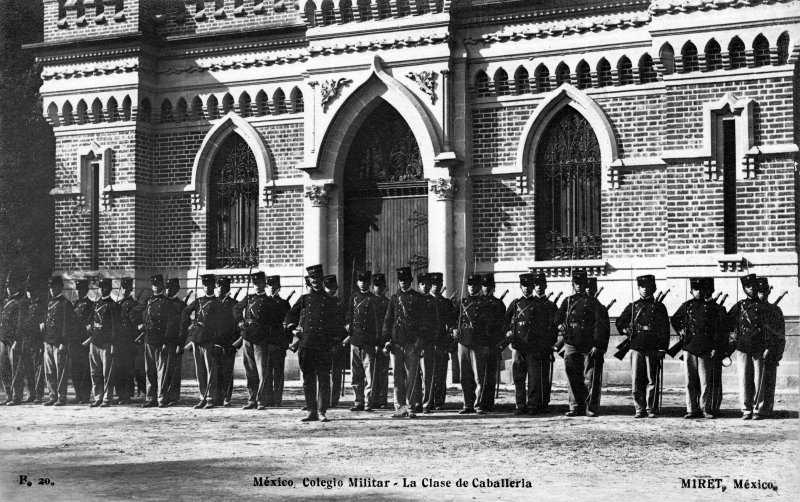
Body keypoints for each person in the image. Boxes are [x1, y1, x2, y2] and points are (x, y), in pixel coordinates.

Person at [284, 265, 340, 422]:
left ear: (322, 279)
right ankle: (311, 411)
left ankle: (322, 411)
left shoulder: (330, 301)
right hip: (306, 344)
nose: (315, 281)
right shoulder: (304, 299)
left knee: (323, 378)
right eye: (312, 278)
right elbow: (290, 315)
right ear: (309, 280)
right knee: (308, 379)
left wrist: (334, 341)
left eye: (318, 278)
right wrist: (293, 328)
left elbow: (337, 322)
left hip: (323, 345)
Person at [555, 271, 610, 417]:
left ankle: (589, 407)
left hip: (588, 344)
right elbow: (557, 317)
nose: (579, 286)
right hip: (571, 343)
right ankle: (575, 406)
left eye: (581, 283)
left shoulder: (594, 303)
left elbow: (600, 325)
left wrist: (597, 344)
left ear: (586, 284)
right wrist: (560, 325)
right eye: (576, 283)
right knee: (572, 375)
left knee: (589, 377)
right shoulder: (567, 301)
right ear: (573, 285)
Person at [671, 277, 727, 419]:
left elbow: (720, 330)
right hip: (689, 346)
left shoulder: (716, 308)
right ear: (691, 291)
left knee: (705, 381)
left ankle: (705, 408)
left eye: (701, 289)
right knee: (690, 380)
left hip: (706, 347)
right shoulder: (687, 305)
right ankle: (691, 408)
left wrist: (716, 347)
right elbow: (675, 319)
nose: (699, 292)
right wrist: (681, 331)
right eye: (695, 289)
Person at [615, 274, 670, 418]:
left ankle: (651, 408)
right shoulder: (633, 306)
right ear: (638, 288)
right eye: (642, 287)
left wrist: (662, 348)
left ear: (653, 288)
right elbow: (619, 322)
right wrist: (625, 329)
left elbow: (664, 329)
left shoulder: (659, 307)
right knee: (637, 379)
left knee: (652, 379)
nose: (645, 290)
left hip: (652, 346)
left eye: (648, 287)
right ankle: (639, 408)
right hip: (636, 346)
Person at [504, 272, 557, 415]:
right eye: (524, 286)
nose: (527, 289)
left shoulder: (540, 305)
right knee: (519, 379)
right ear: (521, 287)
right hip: (518, 347)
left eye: (529, 286)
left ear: (533, 287)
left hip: (533, 348)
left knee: (534, 378)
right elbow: (504, 322)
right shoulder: (515, 304)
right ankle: (520, 405)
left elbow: (546, 327)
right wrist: (508, 331)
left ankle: (533, 405)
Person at [381, 267, 425, 419]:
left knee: (411, 377)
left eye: (406, 281)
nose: (403, 284)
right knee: (397, 378)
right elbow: (388, 320)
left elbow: (423, 322)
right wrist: (386, 340)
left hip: (411, 343)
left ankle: (411, 407)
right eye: (401, 281)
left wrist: (420, 342)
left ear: (410, 281)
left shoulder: (418, 298)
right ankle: (400, 408)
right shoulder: (394, 298)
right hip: (396, 344)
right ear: (398, 282)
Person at [727, 273, 771, 420]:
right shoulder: (739, 305)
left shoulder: (764, 307)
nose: (751, 289)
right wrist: (733, 337)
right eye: (747, 286)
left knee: (759, 380)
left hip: (759, 345)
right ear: (744, 288)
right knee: (744, 379)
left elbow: (770, 329)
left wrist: (768, 347)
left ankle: (758, 409)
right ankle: (746, 409)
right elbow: (727, 322)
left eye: (753, 286)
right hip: (743, 346)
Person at [182, 274, 221, 409]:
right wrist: (190, 323)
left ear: (214, 286)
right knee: (200, 371)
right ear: (203, 287)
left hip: (210, 338)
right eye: (205, 285)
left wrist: (217, 341)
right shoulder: (198, 302)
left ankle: (210, 398)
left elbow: (220, 324)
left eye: (210, 285)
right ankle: (202, 396)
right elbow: (185, 311)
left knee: (211, 371)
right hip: (197, 338)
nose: (207, 288)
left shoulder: (218, 303)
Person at [454, 274, 489, 414]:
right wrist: (453, 329)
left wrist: (487, 344)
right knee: (465, 376)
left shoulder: (486, 304)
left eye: (475, 285)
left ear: (480, 287)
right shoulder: (462, 303)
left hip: (478, 342)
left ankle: (479, 404)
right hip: (463, 342)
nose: (472, 288)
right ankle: (467, 404)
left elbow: (489, 326)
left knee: (479, 376)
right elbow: (451, 317)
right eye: (470, 285)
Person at [345, 270, 379, 412]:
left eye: (365, 281)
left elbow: (377, 321)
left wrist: (377, 342)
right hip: (355, 340)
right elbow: (349, 314)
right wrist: (347, 324)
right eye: (360, 281)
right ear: (357, 283)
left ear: (369, 283)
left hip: (368, 341)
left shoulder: (373, 299)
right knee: (356, 374)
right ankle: (358, 401)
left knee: (369, 373)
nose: (363, 283)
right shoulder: (353, 298)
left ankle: (368, 401)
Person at [138, 274, 172, 408]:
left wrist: (166, 341)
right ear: (152, 287)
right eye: (154, 285)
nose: (156, 287)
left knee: (161, 371)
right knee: (149, 370)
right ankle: (150, 397)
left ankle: (161, 398)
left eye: (158, 285)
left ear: (162, 286)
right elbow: (136, 312)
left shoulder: (167, 302)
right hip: (149, 339)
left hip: (161, 339)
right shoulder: (148, 301)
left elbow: (170, 323)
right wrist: (140, 324)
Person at [755, 277, 785, 419]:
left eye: (765, 291)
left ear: (769, 292)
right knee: (756, 381)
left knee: (769, 380)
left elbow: (780, 334)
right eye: (760, 292)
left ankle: (767, 408)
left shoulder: (775, 310)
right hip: (756, 351)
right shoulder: (753, 309)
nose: (763, 294)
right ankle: (757, 409)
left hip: (771, 351)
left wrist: (776, 352)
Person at [42, 276, 74, 406]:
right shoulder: (50, 303)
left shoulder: (65, 304)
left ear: (60, 287)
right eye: (50, 287)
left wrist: (63, 342)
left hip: (59, 342)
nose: (51, 289)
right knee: (49, 371)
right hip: (48, 341)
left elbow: (67, 325)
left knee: (61, 371)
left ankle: (61, 397)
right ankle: (52, 396)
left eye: (53, 287)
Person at [87, 278, 120, 407]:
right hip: (95, 341)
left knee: (107, 372)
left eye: (104, 287)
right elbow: (91, 320)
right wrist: (89, 327)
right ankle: (98, 397)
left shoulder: (113, 306)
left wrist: (113, 344)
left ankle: (107, 398)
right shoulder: (96, 304)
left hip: (106, 343)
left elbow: (115, 327)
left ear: (109, 289)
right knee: (95, 372)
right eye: (100, 287)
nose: (101, 289)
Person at [0, 276, 27, 405]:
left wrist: (17, 340)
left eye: (11, 286)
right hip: (4, 338)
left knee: (15, 368)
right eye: (8, 286)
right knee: (4, 367)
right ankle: (8, 395)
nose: (9, 288)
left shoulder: (20, 302)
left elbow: (20, 323)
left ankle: (17, 396)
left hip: (14, 339)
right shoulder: (7, 301)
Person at [430, 272, 455, 410]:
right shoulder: (424, 301)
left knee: (440, 373)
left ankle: (439, 400)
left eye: (438, 284)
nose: (436, 287)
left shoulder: (446, 303)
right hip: (427, 343)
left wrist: (451, 331)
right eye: (433, 284)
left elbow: (451, 322)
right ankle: (428, 399)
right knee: (427, 374)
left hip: (441, 343)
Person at [480, 274, 505, 413]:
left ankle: (488, 402)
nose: (486, 289)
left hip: (493, 343)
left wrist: (498, 345)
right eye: (484, 286)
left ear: (493, 288)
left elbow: (501, 326)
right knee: (479, 374)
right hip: (479, 343)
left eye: (488, 287)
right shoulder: (477, 303)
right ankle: (479, 401)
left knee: (490, 374)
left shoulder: (498, 304)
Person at [323, 275, 348, 408]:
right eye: (328, 288)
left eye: (333, 288)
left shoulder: (341, 304)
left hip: (337, 342)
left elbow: (346, 322)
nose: (331, 291)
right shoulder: (321, 303)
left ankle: (334, 400)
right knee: (323, 373)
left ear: (336, 288)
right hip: (323, 343)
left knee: (336, 373)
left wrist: (344, 341)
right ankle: (323, 399)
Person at [21, 277, 46, 403]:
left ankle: (38, 395)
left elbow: (43, 326)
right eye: (28, 291)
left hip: (37, 341)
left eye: (31, 290)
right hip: (27, 341)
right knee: (27, 369)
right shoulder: (26, 305)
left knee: (38, 369)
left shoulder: (41, 306)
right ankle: (30, 393)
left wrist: (41, 343)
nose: (29, 293)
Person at [215, 276, 238, 407]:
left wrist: (234, 343)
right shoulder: (213, 303)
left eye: (223, 287)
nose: (220, 289)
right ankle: (217, 396)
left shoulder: (234, 304)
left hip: (229, 342)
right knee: (216, 371)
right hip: (215, 342)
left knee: (228, 371)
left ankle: (226, 397)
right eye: (218, 286)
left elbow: (236, 325)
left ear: (228, 288)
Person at [70, 279, 94, 404]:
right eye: (78, 289)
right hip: (74, 341)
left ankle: (85, 395)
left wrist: (88, 338)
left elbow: (92, 322)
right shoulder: (74, 304)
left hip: (84, 342)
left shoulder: (91, 305)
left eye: (82, 289)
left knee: (85, 369)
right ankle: (78, 394)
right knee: (75, 369)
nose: (79, 291)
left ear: (86, 290)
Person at [115, 278, 137, 405]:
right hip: (119, 341)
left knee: (128, 369)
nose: (124, 290)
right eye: (123, 288)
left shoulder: (133, 304)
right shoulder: (118, 303)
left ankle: (127, 395)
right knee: (119, 369)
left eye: (127, 288)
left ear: (130, 290)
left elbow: (134, 323)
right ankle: (120, 394)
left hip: (128, 341)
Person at [163, 277, 185, 406]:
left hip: (174, 342)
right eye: (166, 287)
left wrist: (180, 344)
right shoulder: (164, 303)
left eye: (170, 288)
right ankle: (163, 395)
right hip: (163, 342)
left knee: (174, 370)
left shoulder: (181, 305)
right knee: (163, 370)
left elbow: (183, 327)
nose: (168, 290)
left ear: (177, 288)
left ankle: (173, 397)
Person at [370, 273, 390, 409]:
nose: (379, 288)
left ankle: (383, 399)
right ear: (372, 287)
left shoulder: (389, 303)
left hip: (384, 343)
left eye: (381, 286)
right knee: (371, 373)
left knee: (383, 372)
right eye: (376, 286)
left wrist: (385, 343)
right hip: (370, 342)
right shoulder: (369, 302)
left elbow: (389, 324)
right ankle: (373, 398)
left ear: (385, 287)